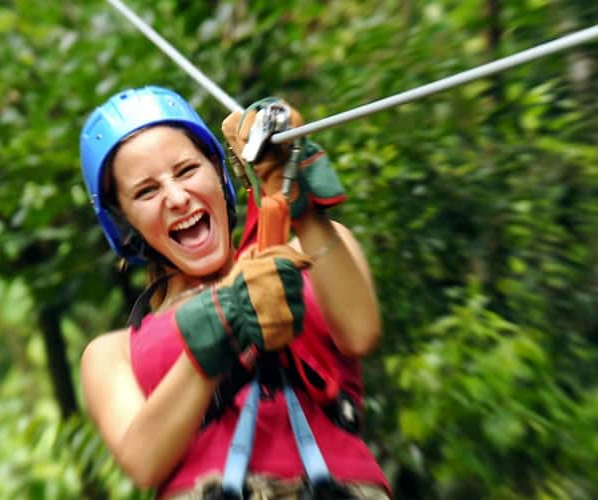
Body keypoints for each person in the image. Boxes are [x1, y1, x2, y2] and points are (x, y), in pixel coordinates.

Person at [79, 86, 390, 499]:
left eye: (187, 170)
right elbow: (143, 459)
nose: (176, 197)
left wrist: (301, 206)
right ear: (125, 222)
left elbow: (360, 331)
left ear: (218, 170)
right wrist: (221, 323)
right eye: (146, 191)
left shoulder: (307, 254)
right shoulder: (112, 352)